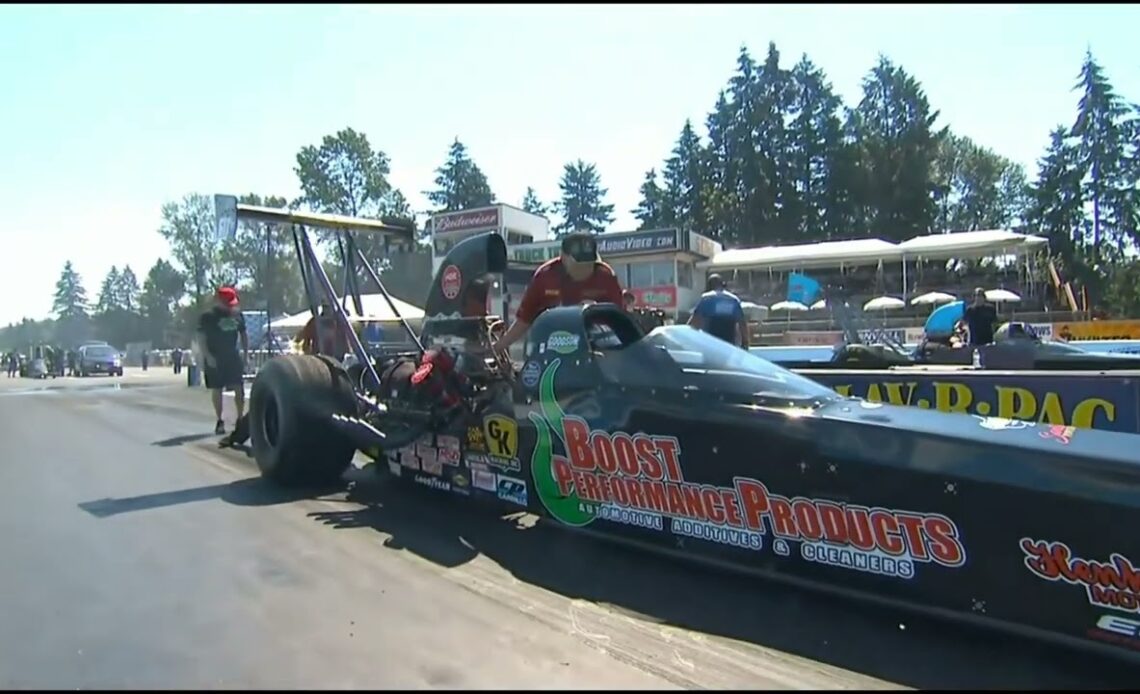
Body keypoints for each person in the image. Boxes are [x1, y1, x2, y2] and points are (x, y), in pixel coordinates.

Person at [492, 232, 624, 354]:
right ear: (563, 257)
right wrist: (498, 348)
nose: (585, 270)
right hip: (552, 342)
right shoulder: (544, 276)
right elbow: (524, 320)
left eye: (589, 265)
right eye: (579, 265)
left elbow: (620, 320)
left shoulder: (606, 276)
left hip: (594, 344)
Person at [197, 286, 249, 435]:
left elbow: (244, 335)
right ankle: (220, 420)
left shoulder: (238, 316)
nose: (230, 306)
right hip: (215, 357)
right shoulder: (208, 317)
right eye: (227, 303)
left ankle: (240, 418)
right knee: (217, 389)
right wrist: (207, 356)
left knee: (239, 388)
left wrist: (245, 355)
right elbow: (201, 338)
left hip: (232, 356)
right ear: (218, 301)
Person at [688, 274, 748, 348]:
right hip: (729, 344)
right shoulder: (733, 300)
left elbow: (694, 323)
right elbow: (742, 323)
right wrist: (745, 342)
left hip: (710, 344)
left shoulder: (706, 298)